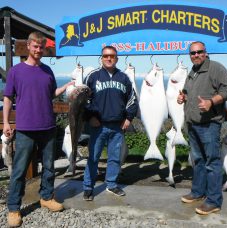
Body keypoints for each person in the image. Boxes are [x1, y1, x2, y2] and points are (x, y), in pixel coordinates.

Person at [3, 31, 74, 227]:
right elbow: (8, 98)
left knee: (49, 167)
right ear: (29, 46)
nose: (38, 50)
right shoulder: (16, 71)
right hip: (25, 128)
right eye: (35, 46)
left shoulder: (47, 71)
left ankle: (46, 197)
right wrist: (7, 122)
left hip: (48, 127)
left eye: (41, 47)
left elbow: (51, 93)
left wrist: (67, 85)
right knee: (19, 170)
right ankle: (14, 208)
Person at [177, 41, 227, 215]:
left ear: (205, 52)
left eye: (199, 52)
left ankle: (214, 201)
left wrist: (212, 102)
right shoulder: (193, 72)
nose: (196, 55)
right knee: (199, 162)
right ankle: (198, 192)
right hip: (193, 124)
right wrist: (183, 98)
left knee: (212, 163)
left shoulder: (216, 68)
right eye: (192, 53)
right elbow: (188, 93)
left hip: (209, 125)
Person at [82, 46, 138, 200]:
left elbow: (132, 100)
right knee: (93, 157)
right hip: (97, 126)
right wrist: (89, 117)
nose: (109, 58)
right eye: (106, 56)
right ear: (101, 58)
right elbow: (84, 99)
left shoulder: (124, 77)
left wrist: (129, 118)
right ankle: (88, 187)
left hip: (118, 126)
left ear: (117, 58)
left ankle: (111, 185)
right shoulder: (92, 76)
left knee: (114, 157)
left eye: (112, 56)